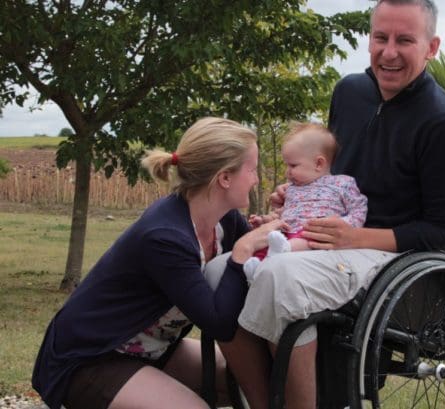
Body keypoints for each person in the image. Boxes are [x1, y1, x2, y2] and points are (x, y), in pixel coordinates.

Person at [232, 1, 445, 408]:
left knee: (282, 277)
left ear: (431, 47)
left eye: (404, 40)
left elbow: (440, 232)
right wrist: (299, 193)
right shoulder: (349, 92)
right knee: (224, 269)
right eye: (380, 37)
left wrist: (354, 236)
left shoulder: (443, 125)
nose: (389, 51)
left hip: (385, 257)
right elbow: (332, 172)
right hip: (324, 237)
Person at [31, 117, 281, 409]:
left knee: (245, 381)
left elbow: (262, 255)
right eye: (252, 170)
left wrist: (286, 213)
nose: (257, 179)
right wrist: (242, 252)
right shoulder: (165, 237)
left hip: (150, 348)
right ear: (224, 178)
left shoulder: (224, 220)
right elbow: (219, 323)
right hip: (92, 357)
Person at [242, 122, 368, 278]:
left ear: (318, 163)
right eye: (286, 165)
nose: (287, 172)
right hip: (286, 232)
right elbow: (284, 214)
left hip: (317, 235)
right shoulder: (292, 189)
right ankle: (257, 265)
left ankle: (282, 251)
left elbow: (359, 208)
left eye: (293, 165)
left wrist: (347, 224)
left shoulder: (342, 183)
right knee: (269, 239)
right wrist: (265, 220)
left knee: (307, 237)